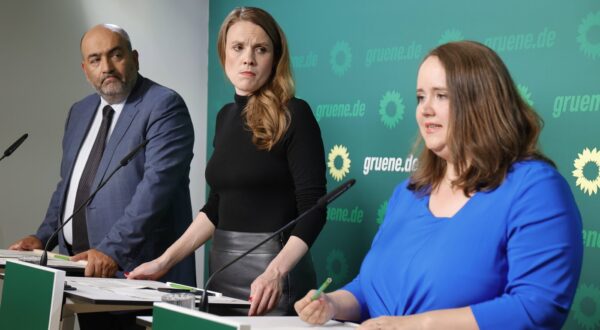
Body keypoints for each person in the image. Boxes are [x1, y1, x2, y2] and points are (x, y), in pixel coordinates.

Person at [295, 41, 583, 329]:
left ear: (482, 102)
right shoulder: (409, 192)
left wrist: (417, 324)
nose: (425, 110)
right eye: (420, 97)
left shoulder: (535, 188)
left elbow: (536, 308)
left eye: (441, 96)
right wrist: (332, 304)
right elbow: (371, 287)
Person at [127, 7, 327, 316]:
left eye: (260, 49)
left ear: (275, 58)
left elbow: (314, 208)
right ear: (224, 54)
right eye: (238, 47)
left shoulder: (295, 114)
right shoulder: (225, 117)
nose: (248, 58)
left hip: (274, 280)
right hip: (222, 271)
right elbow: (216, 207)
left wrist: (275, 273)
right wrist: (164, 261)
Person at [9, 24, 196, 283]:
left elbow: (156, 190)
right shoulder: (80, 112)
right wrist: (42, 238)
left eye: (116, 55)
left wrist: (111, 250)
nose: (106, 67)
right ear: (86, 71)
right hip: (79, 268)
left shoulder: (164, 106)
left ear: (135, 58)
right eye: (95, 60)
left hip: (137, 272)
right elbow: (69, 186)